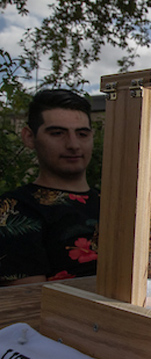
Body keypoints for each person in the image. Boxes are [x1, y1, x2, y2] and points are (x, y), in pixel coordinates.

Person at [0, 89, 100, 285]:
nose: (73, 145)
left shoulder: (115, 202)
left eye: (82, 134)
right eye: (57, 133)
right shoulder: (14, 210)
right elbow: (31, 302)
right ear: (29, 137)